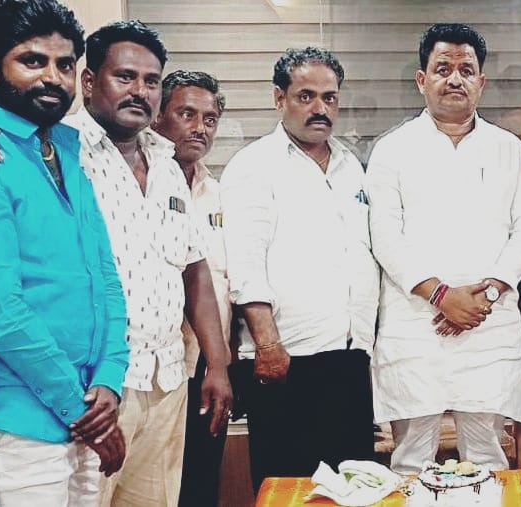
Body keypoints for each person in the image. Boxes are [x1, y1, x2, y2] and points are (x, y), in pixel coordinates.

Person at [61, 21, 232, 506]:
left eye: (151, 80)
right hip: (94, 389)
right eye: (125, 77)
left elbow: (194, 269)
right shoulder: (58, 149)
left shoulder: (166, 165)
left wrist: (217, 364)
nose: (140, 91)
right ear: (89, 81)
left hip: (167, 379)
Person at [365, 23, 521, 474]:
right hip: (416, 325)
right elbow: (384, 235)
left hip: (488, 324)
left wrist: (488, 294)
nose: (455, 79)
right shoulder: (392, 149)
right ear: (422, 79)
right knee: (410, 461)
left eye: (466, 69)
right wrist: (442, 295)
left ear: (481, 81)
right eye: (443, 68)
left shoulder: (508, 149)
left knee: (488, 459)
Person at [220, 47, 378, 492]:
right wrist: (268, 345)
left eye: (329, 97)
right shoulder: (254, 166)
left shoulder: (350, 166)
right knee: (289, 488)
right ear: (279, 98)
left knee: (353, 488)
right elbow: (245, 263)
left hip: (348, 356)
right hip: (286, 360)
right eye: (306, 96)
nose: (320, 108)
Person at [0, 0, 128, 504]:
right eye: (32, 61)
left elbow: (105, 278)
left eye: (65, 64)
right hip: (21, 420)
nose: (53, 77)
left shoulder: (66, 151)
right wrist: (80, 406)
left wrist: (109, 380)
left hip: (87, 410)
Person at [151, 69, 231, 507]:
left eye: (210, 119)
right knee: (156, 487)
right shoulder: (139, 179)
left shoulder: (215, 191)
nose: (200, 128)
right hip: (156, 366)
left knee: (201, 483)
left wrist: (221, 364)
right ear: (158, 115)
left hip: (209, 364)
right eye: (187, 114)